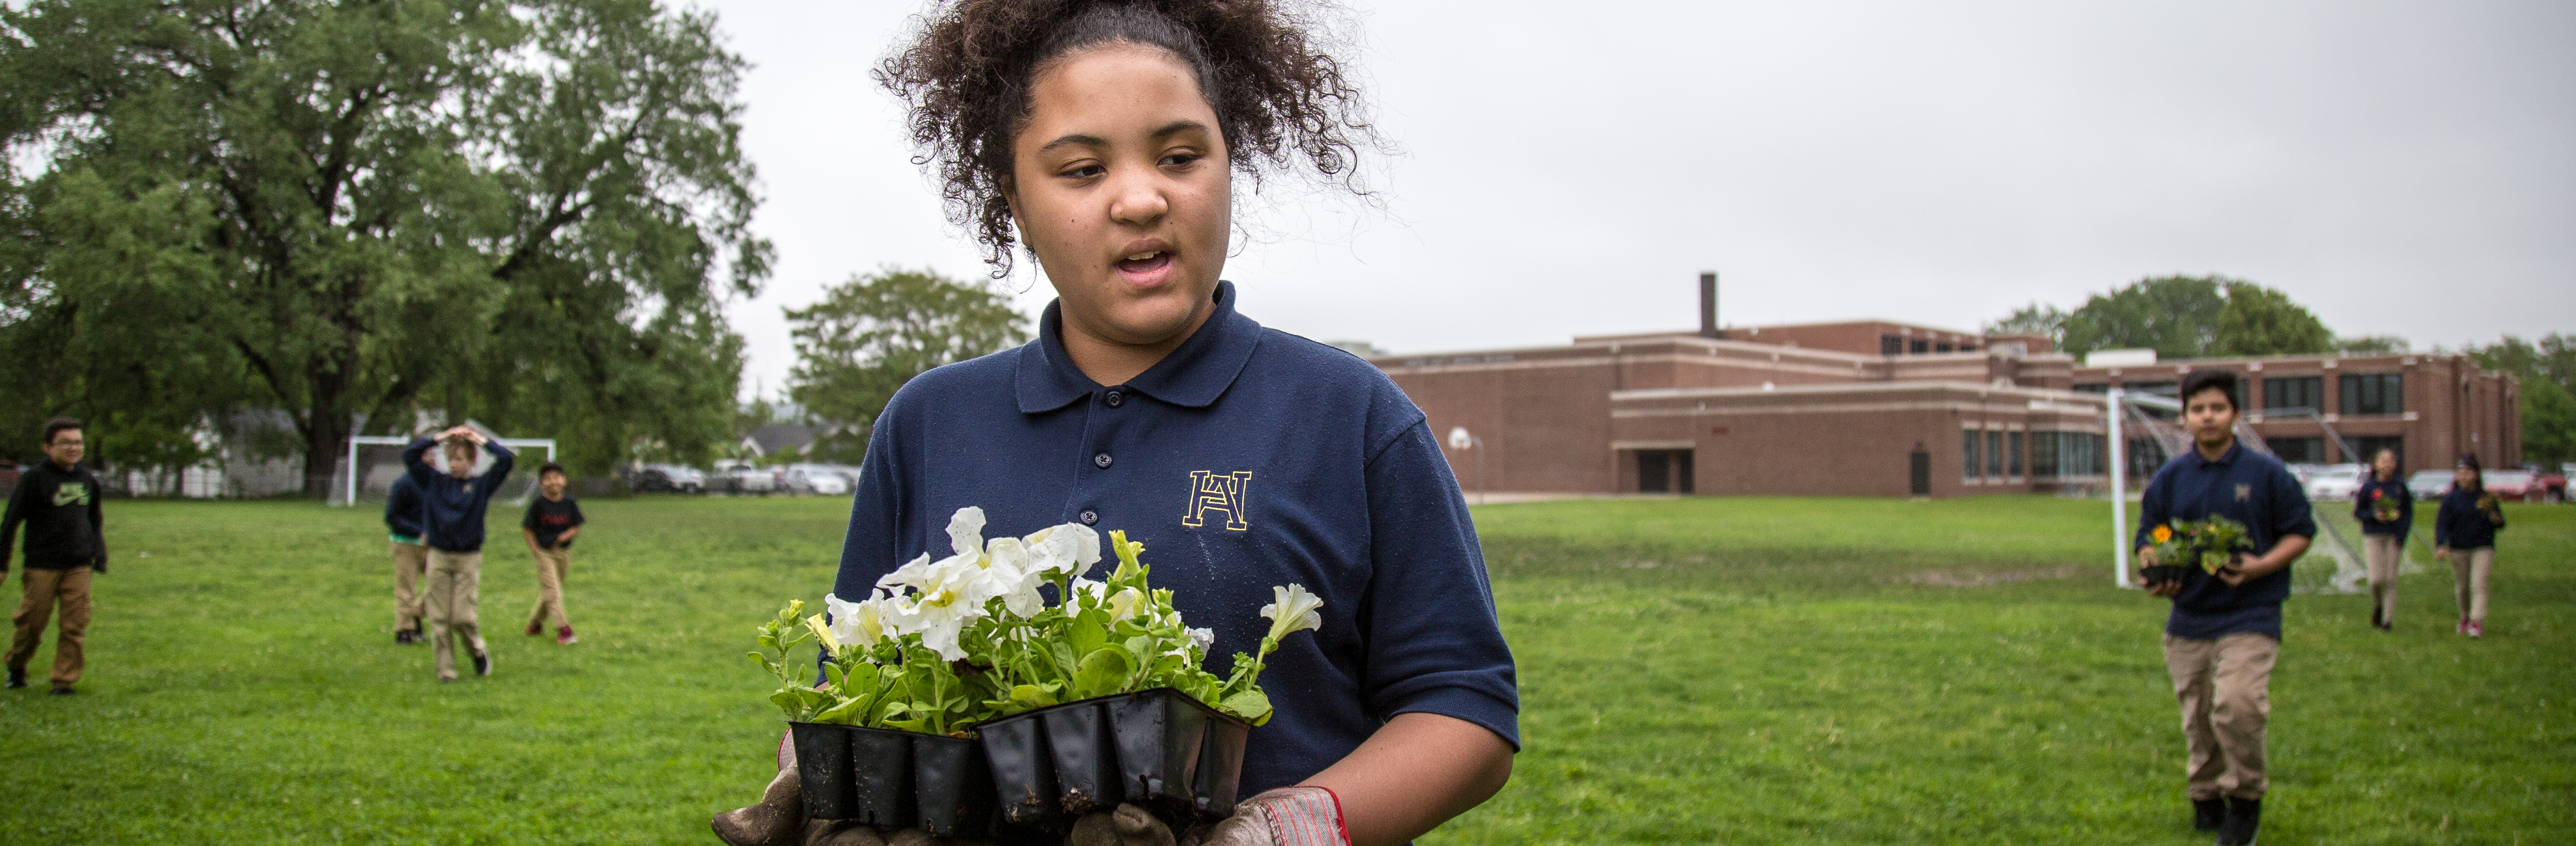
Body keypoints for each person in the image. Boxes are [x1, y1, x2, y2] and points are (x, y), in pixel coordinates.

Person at [713, 4, 1516, 846]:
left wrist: (1289, 827)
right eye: (1082, 170)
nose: (1140, 197)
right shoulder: (926, 420)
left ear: (1229, 166)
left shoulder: (1350, 414)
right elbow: (850, 672)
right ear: (1013, 206)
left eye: (1179, 156)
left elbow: (1464, 706)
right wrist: (821, 769)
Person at [2133, 370, 2312, 846]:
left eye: (2216, 407)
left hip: (2251, 612)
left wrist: (2261, 566)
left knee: (2238, 705)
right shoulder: (2172, 477)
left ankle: (2246, 802)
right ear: (2185, 418)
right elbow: (2150, 535)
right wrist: (2154, 566)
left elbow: (2300, 531)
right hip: (2189, 615)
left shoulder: (2265, 473)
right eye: (2198, 409)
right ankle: (2205, 792)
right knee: (2197, 714)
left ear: (2234, 414)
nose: (2207, 416)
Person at [0, 418, 107, 695]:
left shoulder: (88, 480)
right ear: (48, 447)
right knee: (33, 623)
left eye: (79, 442)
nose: (74, 448)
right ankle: (17, 665)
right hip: (42, 564)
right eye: (67, 442)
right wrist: (2, 564)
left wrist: (99, 552)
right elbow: (11, 522)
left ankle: (63, 680)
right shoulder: (34, 480)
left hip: (78, 564)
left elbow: (94, 520)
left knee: (75, 624)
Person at [402, 426, 515, 682]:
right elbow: (409, 455)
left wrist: (480, 440)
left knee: (462, 617)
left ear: (472, 460)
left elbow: (506, 460)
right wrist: (439, 439)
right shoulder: (433, 482)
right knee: (439, 618)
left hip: (468, 558)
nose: (455, 465)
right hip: (439, 556)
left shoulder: (480, 486)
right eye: (451, 459)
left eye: (461, 459)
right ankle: (446, 671)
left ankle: (477, 651)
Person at [2433, 455, 2504, 638]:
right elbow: (2442, 524)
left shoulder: (2486, 498)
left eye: (2468, 473)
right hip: (2459, 547)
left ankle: (2476, 621)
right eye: (2460, 473)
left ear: (2476, 475)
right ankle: (2465, 616)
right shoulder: (2451, 500)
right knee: (2463, 587)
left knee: (2478, 584)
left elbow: (2500, 523)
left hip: (2483, 546)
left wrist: (2494, 517)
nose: (2464, 477)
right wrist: (2441, 544)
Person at [521, 462, 585, 646]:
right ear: (542, 484)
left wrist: (564, 536)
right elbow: (527, 530)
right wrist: (536, 551)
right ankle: (564, 630)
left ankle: (534, 625)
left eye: (557, 478)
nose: (553, 482)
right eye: (547, 479)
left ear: (564, 481)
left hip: (563, 554)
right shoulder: (538, 505)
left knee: (552, 593)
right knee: (553, 592)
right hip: (544, 553)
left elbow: (576, 527)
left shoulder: (569, 503)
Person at [2351, 447, 2412, 632]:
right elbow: (2358, 513)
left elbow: (2408, 512)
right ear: (2376, 465)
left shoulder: (2400, 486)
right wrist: (2374, 515)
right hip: (2373, 536)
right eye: (2384, 461)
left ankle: (2387, 622)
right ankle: (2379, 604)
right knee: (2376, 580)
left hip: (2394, 536)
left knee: (2391, 579)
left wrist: (2402, 535)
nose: (2388, 464)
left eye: (2392, 460)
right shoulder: (2369, 487)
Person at [387, 472, 431, 644]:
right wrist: (418, 531)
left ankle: (417, 613)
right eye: (428, 455)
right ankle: (405, 630)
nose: (433, 460)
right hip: (405, 543)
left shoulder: (434, 482)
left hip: (431, 544)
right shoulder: (403, 484)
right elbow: (392, 517)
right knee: (407, 588)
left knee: (442, 584)